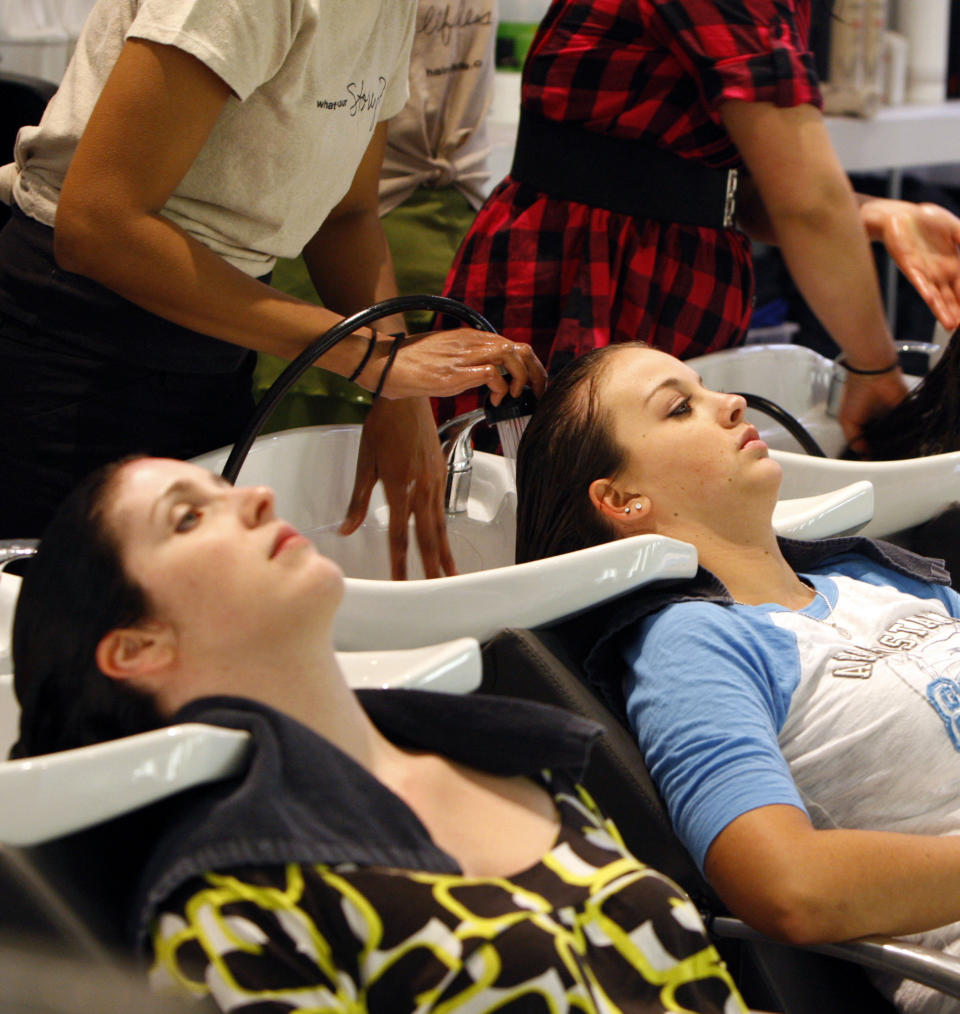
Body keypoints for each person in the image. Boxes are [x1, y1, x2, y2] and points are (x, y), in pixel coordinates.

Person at [9, 455, 746, 1014]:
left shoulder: (508, 756)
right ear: (139, 648)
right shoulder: (235, 903)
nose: (258, 496)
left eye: (227, 491)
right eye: (189, 517)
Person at [0, 0, 545, 579]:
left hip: (213, 350)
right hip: (74, 347)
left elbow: (348, 214)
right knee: (72, 637)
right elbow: (98, 227)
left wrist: (402, 388)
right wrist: (370, 359)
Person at [515, 342, 960, 1014]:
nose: (732, 404)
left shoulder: (878, 574)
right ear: (623, 499)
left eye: (705, 389)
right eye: (679, 408)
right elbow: (787, 886)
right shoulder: (690, 645)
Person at [439, 0, 960, 448]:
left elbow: (713, 183)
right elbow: (808, 206)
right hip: (585, 285)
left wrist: (875, 214)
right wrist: (874, 368)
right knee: (554, 523)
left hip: (654, 296)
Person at [252, 0, 500, 429]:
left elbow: (347, 214)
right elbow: (107, 222)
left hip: (434, 232)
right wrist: (379, 363)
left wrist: (394, 380)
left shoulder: (388, 16)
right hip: (311, 251)